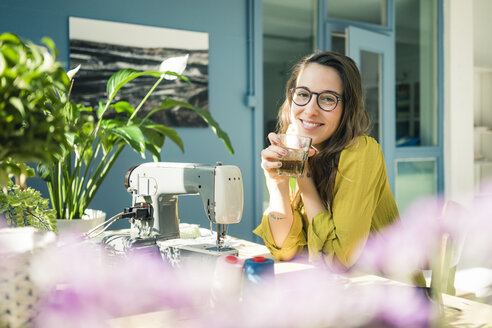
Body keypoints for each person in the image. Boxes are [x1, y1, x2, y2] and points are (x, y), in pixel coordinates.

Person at [254, 51, 425, 285]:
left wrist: (303, 177)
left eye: (327, 99)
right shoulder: (295, 148)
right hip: (335, 296)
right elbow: (285, 249)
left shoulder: (361, 151)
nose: (310, 109)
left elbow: (337, 261)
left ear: (347, 108)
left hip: (392, 301)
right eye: (303, 94)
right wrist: (277, 186)